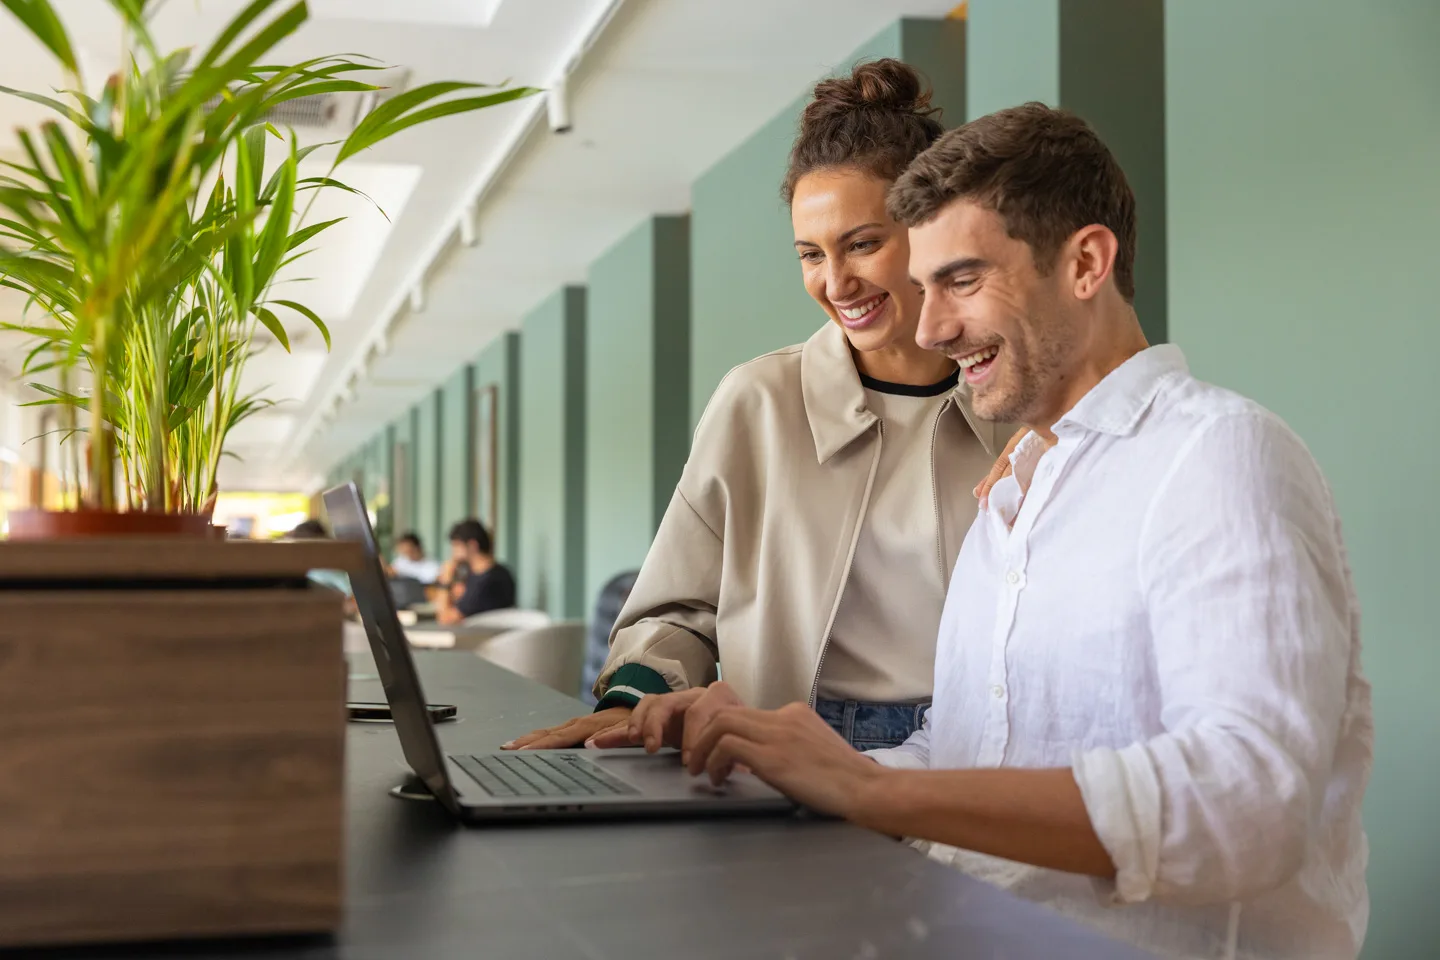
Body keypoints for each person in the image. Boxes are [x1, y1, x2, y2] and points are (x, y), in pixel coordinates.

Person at [617, 104, 1373, 960]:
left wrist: (872, 792)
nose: (931, 328)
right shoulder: (1016, 498)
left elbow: (1249, 803)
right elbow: (966, 747)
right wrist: (781, 760)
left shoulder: (1219, 455)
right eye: (926, 284)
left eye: (962, 281)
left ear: (1086, 262)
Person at [507, 59, 1011, 753]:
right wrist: (635, 697)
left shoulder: (1011, 399)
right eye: (811, 254)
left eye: (863, 244)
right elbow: (679, 606)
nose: (836, 282)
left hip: (976, 744)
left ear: (933, 229)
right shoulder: (760, 401)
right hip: (790, 741)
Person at [435, 518, 516, 625]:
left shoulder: (486, 580)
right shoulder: (499, 573)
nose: (453, 552)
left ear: (473, 545)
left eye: (456, 545)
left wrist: (445, 580)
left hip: (481, 638)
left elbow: (445, 618)